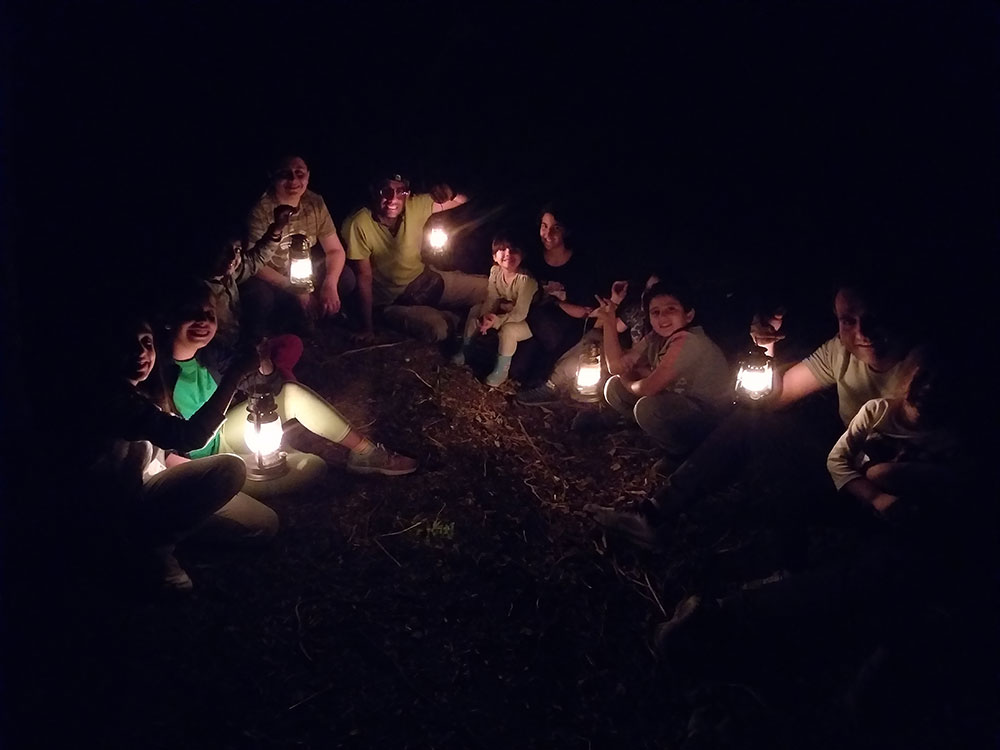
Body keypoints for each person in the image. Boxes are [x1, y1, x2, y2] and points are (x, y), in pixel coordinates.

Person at [588, 276, 918, 549]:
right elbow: (776, 397)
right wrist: (766, 349)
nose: (862, 332)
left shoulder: (924, 367)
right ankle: (653, 514)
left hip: (904, 482)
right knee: (752, 418)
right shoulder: (839, 350)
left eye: (874, 318)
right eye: (848, 321)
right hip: (848, 467)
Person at [86, 315, 278, 592]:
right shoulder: (111, 401)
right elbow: (191, 437)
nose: (140, 353)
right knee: (230, 468)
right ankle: (148, 549)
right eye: (127, 345)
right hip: (124, 504)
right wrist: (234, 376)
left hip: (157, 486)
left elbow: (165, 450)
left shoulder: (147, 389)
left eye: (146, 343)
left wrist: (193, 480)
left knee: (263, 524)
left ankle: (173, 525)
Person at [158, 284, 418, 483]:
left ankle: (366, 453)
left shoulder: (211, 354)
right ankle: (269, 462)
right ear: (169, 320)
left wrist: (262, 360)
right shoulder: (155, 375)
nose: (203, 321)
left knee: (291, 394)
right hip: (202, 463)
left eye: (209, 314)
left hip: (224, 435)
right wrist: (215, 475)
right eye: (191, 313)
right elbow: (165, 454)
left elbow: (270, 386)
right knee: (312, 468)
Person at [586, 281, 732, 453]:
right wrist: (609, 321)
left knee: (647, 408)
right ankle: (650, 433)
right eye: (655, 312)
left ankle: (680, 452)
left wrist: (628, 378)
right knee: (614, 387)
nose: (662, 317)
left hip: (709, 415)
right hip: (675, 401)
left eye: (671, 309)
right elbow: (617, 367)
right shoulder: (655, 337)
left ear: (689, 315)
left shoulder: (689, 341)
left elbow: (648, 387)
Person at [343, 172, 486, 343]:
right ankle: (455, 317)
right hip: (392, 301)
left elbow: (463, 200)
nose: (393, 199)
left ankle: (459, 315)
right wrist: (367, 328)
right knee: (437, 329)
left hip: (423, 281)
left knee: (489, 289)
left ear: (407, 193)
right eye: (385, 191)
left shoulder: (415, 205)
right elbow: (363, 277)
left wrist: (451, 193)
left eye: (400, 191)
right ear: (374, 191)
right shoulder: (358, 223)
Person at [826, 348, 961, 517]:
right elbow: (836, 460)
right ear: (907, 381)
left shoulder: (946, 436)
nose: (928, 388)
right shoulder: (876, 412)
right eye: (923, 377)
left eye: (940, 384)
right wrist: (876, 498)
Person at [243, 155, 356, 330]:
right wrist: (295, 289)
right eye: (285, 174)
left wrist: (330, 285)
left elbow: (335, 250)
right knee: (258, 296)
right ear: (272, 176)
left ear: (308, 176)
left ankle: (319, 315)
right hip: (273, 278)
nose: (293, 180)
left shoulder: (314, 203)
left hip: (303, 275)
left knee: (345, 277)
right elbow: (252, 263)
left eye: (299, 173)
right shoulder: (260, 210)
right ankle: (265, 330)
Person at [517, 273, 656, 405]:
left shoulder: (663, 330)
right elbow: (606, 326)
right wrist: (614, 302)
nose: (652, 298)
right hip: (629, 356)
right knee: (593, 337)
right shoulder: (639, 310)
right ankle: (552, 384)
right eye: (649, 291)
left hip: (646, 366)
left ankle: (555, 386)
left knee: (597, 348)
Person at [198, 226, 304, 383]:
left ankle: (273, 373)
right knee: (260, 375)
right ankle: (274, 380)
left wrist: (275, 231)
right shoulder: (201, 293)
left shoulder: (229, 275)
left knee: (292, 343)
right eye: (225, 250)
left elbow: (255, 259)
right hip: (224, 356)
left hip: (243, 342)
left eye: (237, 250)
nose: (233, 257)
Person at [510, 204, 599, 388]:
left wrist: (557, 303)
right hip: (534, 324)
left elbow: (584, 311)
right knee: (517, 372)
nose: (548, 234)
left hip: (565, 328)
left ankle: (543, 379)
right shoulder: (533, 259)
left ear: (566, 231)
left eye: (555, 228)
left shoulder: (580, 264)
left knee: (547, 331)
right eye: (544, 226)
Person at [452, 234, 538, 386]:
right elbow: (492, 298)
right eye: (502, 250)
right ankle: (465, 350)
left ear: (522, 255)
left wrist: (496, 320)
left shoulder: (526, 280)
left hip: (529, 320)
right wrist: (486, 316)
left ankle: (501, 371)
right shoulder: (495, 272)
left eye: (513, 250)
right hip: (507, 313)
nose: (508, 254)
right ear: (494, 256)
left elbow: (520, 313)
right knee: (476, 311)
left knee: (508, 331)